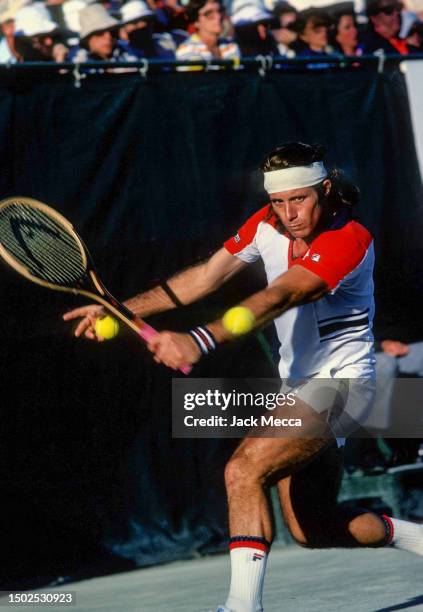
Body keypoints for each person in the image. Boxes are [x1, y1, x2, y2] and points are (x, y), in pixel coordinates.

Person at [63, 142, 423, 612]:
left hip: (344, 384)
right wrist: (119, 310)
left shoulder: (347, 238)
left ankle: (240, 607)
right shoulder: (265, 223)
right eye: (279, 202)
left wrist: (201, 339)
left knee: (243, 469)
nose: (290, 213)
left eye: (301, 199)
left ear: (325, 189)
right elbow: (204, 278)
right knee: (313, 528)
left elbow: (280, 296)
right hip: (299, 387)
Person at [68, 3, 139, 62]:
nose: (109, 37)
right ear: (87, 39)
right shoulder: (74, 60)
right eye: (100, 33)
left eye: (112, 32)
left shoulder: (127, 51)